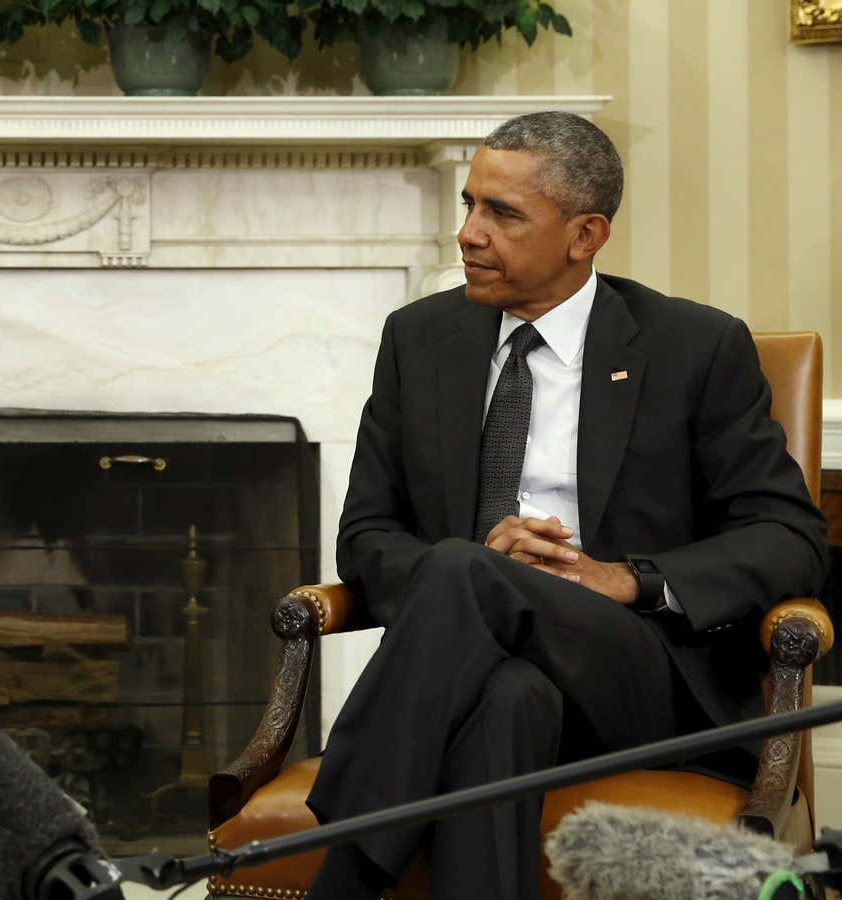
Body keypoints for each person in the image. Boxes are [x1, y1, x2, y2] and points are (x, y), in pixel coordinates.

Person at [305, 111, 828, 900]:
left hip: (638, 673)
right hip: (482, 675)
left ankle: (342, 873)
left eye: (502, 214)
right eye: (468, 204)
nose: (469, 234)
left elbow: (791, 536)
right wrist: (485, 575)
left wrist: (628, 579)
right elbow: (368, 535)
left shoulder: (694, 346)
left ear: (585, 235)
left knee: (464, 568)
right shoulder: (419, 339)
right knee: (503, 689)